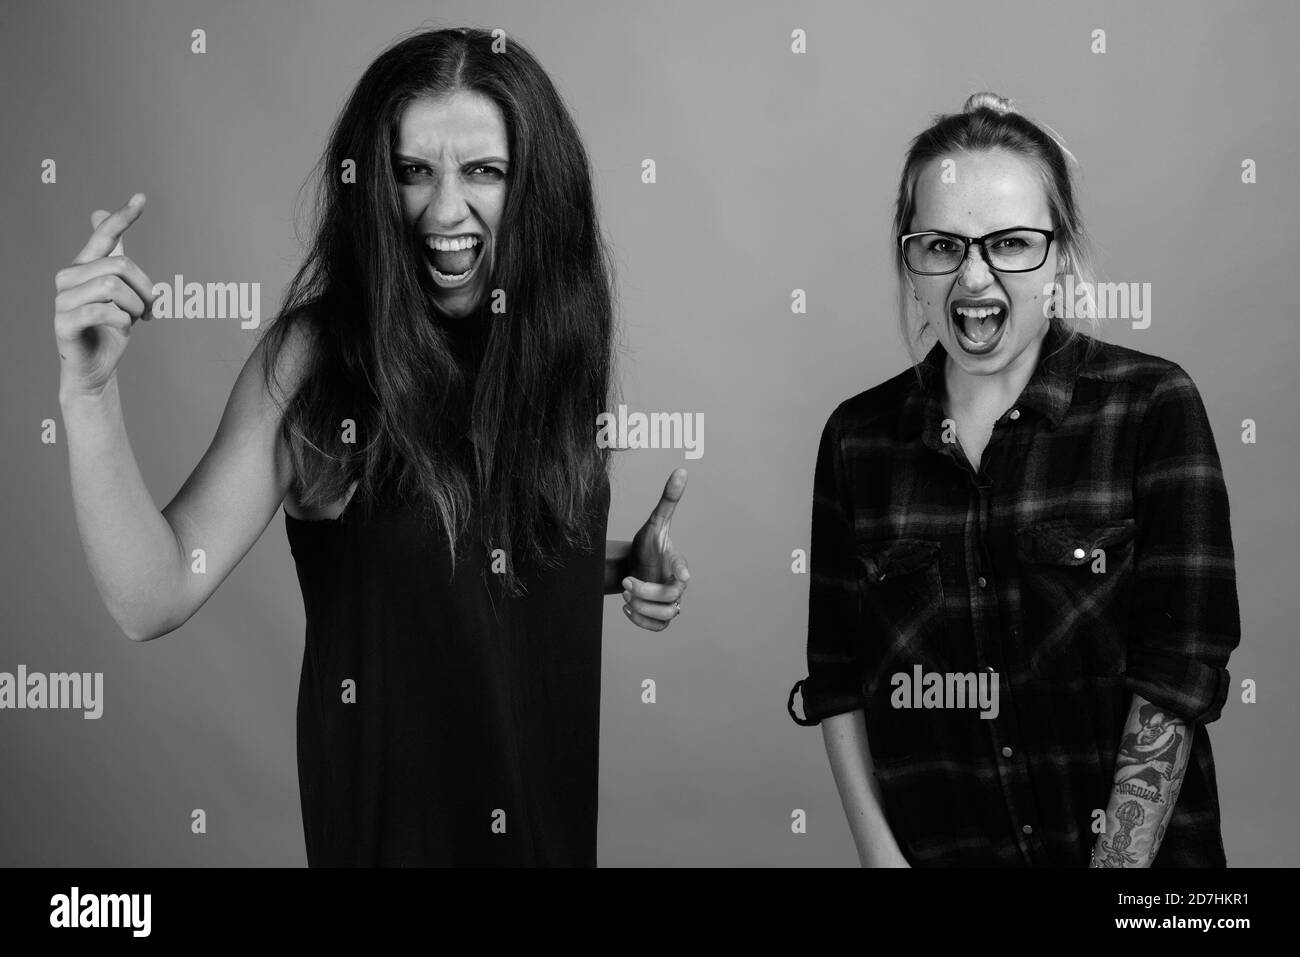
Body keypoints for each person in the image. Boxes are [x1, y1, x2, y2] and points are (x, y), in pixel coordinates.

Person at [53, 27, 691, 867]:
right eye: (413, 170)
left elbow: (459, 562)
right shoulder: (318, 358)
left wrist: (604, 565)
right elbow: (154, 594)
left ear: (536, 187)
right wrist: (88, 395)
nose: (444, 209)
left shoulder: (549, 344)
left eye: (483, 172)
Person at [787, 92, 1239, 868]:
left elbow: (1178, 672)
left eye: (1011, 243)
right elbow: (838, 683)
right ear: (910, 258)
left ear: (1060, 252)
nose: (974, 277)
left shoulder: (1153, 407)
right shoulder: (856, 442)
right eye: (941, 245)